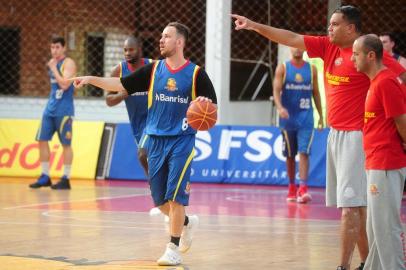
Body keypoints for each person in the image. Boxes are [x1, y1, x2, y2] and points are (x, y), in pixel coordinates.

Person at [231, 5, 406, 270]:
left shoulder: (370, 56)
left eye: (335, 24)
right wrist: (254, 25)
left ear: (351, 28)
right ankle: (368, 263)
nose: (329, 28)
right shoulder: (327, 47)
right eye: (329, 24)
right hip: (335, 135)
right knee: (353, 207)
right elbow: (289, 37)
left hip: (359, 137)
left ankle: (344, 266)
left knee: (352, 208)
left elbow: (399, 78)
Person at [71, 22, 217, 266]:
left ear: (179, 42)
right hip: (156, 140)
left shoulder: (196, 74)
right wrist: (90, 79)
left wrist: (204, 104)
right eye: (161, 36)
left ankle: (172, 247)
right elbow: (120, 85)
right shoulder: (154, 70)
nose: (161, 40)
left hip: (182, 141)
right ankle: (188, 223)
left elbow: (212, 112)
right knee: (160, 202)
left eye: (167, 36)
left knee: (176, 197)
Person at [352, 34, 406, 270]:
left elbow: (401, 121)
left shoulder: (386, 82)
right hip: (375, 162)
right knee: (376, 228)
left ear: (370, 55)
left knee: (386, 227)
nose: (352, 58)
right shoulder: (376, 82)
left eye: (356, 54)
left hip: (385, 163)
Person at [273, 47, 323, 203]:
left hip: (306, 118)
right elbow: (276, 90)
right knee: (289, 155)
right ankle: (291, 186)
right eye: (294, 46)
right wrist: (280, 108)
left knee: (304, 152)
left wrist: (320, 115)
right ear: (290, 48)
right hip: (288, 118)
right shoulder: (283, 67)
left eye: (300, 46)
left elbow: (316, 93)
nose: (297, 49)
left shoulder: (311, 69)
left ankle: (303, 188)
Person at [29, 36, 77, 190]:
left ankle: (66, 178)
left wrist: (54, 68)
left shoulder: (68, 63)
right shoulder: (53, 64)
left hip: (64, 111)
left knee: (66, 144)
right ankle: (45, 176)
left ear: (63, 48)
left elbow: (64, 85)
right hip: (50, 109)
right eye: (52, 47)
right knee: (42, 140)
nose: (54, 50)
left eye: (57, 47)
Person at [106, 36, 152, 176]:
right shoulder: (118, 71)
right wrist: (123, 94)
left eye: (131, 50)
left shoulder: (152, 66)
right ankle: (157, 182)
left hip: (155, 119)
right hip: (137, 124)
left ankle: (154, 182)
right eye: (125, 50)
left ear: (139, 49)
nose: (127, 53)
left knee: (142, 154)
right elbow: (108, 100)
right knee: (148, 157)